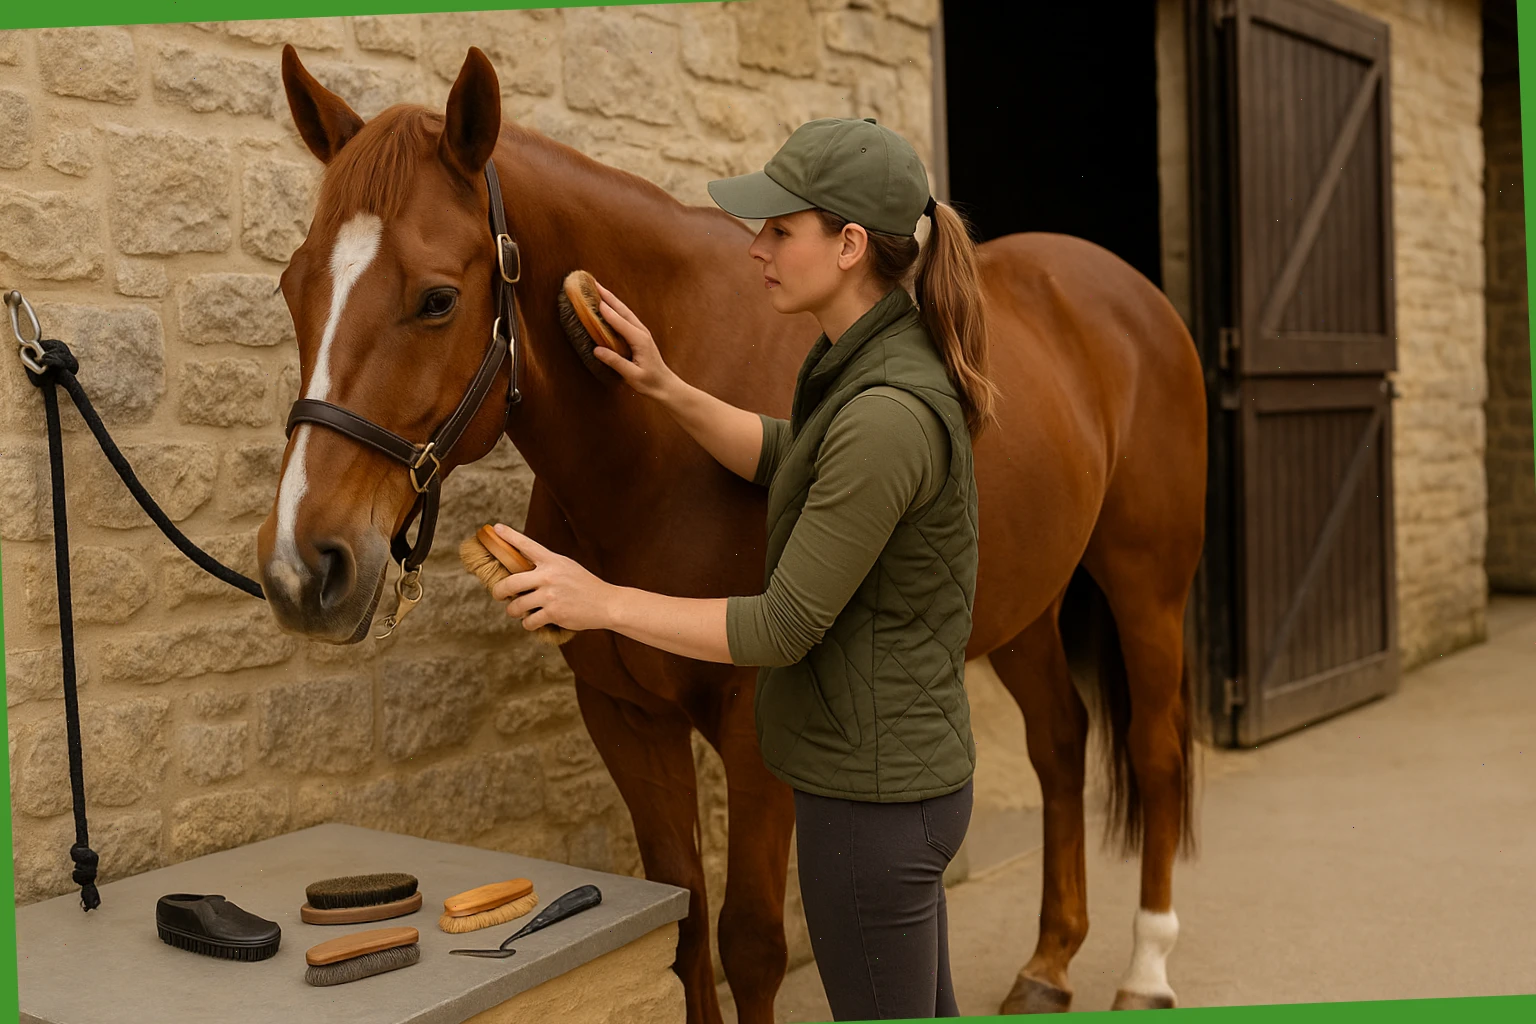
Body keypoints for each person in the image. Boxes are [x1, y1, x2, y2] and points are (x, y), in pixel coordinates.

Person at [489, 117, 998, 1021]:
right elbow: (794, 454)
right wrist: (668, 388)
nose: (753, 248)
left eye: (779, 230)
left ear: (848, 246)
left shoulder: (884, 410)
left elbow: (782, 626)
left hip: (868, 805)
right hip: (897, 784)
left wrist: (599, 600)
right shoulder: (869, 360)